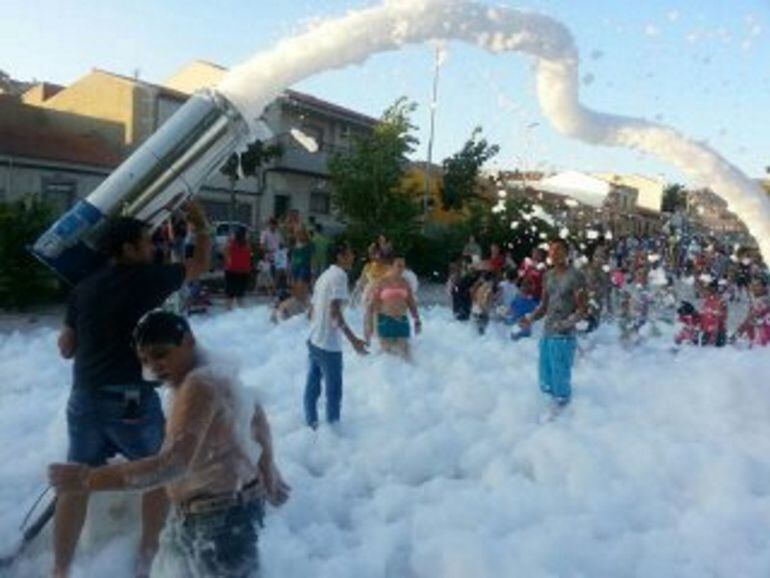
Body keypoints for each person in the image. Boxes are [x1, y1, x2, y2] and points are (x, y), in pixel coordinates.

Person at [49, 310, 290, 578]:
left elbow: (172, 464)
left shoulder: (199, 385)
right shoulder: (212, 371)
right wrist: (267, 466)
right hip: (208, 512)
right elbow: (254, 411)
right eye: (145, 359)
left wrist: (87, 479)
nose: (153, 366)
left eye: (161, 353)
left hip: (220, 519)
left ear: (188, 341)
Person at [52, 202, 211, 578]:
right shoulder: (145, 279)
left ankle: (59, 569)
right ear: (126, 249)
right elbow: (200, 265)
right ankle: (146, 558)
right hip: (129, 400)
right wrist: (200, 226)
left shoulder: (84, 287)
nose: (152, 248)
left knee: (75, 482)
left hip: (84, 397)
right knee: (159, 469)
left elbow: (65, 347)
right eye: (145, 243)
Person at [304, 241, 368, 429]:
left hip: (314, 339)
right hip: (328, 345)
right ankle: (333, 433)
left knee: (312, 388)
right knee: (334, 393)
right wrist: (354, 339)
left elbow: (311, 310)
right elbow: (334, 313)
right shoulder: (340, 276)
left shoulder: (324, 275)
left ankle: (311, 425)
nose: (353, 256)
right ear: (340, 256)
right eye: (350, 253)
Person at [520, 238, 587, 410]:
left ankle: (564, 416)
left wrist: (565, 324)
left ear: (567, 253)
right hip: (548, 332)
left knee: (560, 380)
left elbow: (582, 310)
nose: (554, 253)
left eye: (558, 249)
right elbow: (544, 306)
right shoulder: (547, 275)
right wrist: (530, 318)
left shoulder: (576, 276)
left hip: (564, 337)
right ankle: (550, 418)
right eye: (551, 250)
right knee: (545, 378)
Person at [365, 254, 421, 359]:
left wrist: (417, 319)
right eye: (399, 265)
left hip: (402, 320)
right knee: (387, 357)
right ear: (391, 266)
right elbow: (371, 305)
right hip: (385, 320)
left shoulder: (405, 283)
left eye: (403, 266)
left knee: (406, 356)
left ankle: (410, 375)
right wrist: (369, 327)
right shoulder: (381, 282)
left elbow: (411, 302)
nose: (402, 269)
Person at [224, 227, 253, 310]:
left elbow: (225, 253)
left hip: (231, 271)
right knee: (240, 295)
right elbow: (249, 256)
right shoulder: (247, 245)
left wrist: (229, 261)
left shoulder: (231, 243)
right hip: (243, 272)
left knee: (230, 294)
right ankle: (241, 315)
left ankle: (228, 313)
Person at [290, 228, 313, 299]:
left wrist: (313, 270)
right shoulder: (295, 245)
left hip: (304, 267)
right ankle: (297, 302)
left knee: (302, 285)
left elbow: (312, 258)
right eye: (297, 234)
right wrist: (290, 268)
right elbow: (293, 258)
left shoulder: (310, 245)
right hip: (295, 268)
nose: (298, 236)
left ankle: (306, 303)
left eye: (300, 234)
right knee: (294, 286)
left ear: (304, 235)